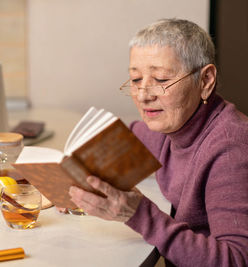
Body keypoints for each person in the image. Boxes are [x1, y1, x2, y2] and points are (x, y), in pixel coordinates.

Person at [68, 19, 248, 266]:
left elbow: (237, 261)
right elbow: (127, 137)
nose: (143, 95)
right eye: (135, 79)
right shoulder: (171, 122)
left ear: (205, 80)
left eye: (162, 80)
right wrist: (71, 181)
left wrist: (139, 214)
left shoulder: (230, 148)